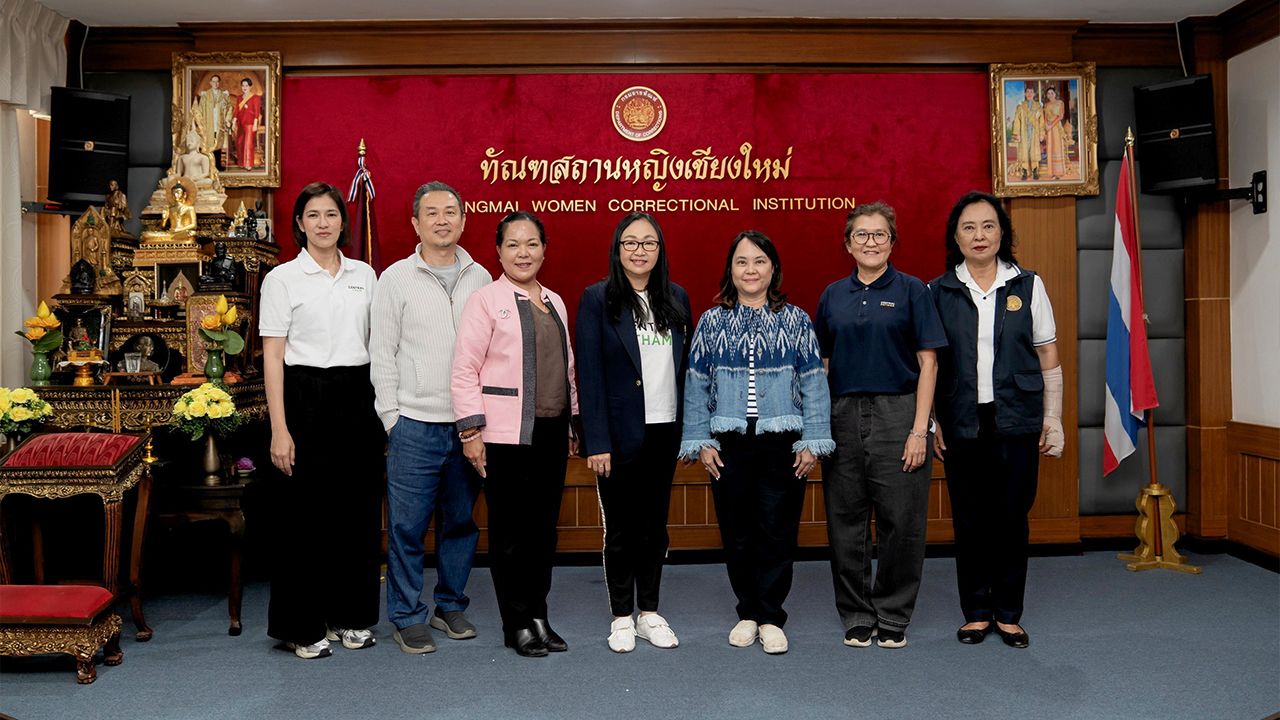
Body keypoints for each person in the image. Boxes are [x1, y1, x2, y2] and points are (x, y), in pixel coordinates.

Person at [680, 230, 834, 655]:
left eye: (759, 261)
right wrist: (701, 440)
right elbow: (695, 384)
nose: (751, 269)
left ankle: (770, 615)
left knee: (777, 528)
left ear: (773, 269)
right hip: (728, 441)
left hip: (783, 442)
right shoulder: (712, 321)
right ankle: (747, 611)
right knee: (737, 530)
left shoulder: (796, 319)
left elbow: (814, 383)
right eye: (742, 262)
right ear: (731, 270)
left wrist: (812, 440)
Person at [928, 191, 1064, 650]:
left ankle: (1009, 614)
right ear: (956, 236)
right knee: (969, 519)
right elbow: (928, 363)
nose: (979, 235)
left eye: (988, 226)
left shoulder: (1028, 285)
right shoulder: (939, 290)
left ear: (1002, 232)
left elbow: (1048, 355)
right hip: (962, 420)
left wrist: (1054, 417)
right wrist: (931, 422)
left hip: (1017, 420)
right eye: (968, 227)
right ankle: (976, 611)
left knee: (1011, 518)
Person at [259, 181, 383, 659]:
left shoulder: (365, 275)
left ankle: (350, 616)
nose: (324, 223)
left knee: (354, 513)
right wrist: (279, 428)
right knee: (302, 519)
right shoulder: (282, 279)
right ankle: (301, 625)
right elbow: (272, 357)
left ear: (342, 222)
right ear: (299, 224)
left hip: (358, 397)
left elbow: (376, 344)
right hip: (303, 397)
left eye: (331, 214)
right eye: (314, 215)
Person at [815, 202, 947, 650]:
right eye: (861, 235)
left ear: (892, 242)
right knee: (845, 520)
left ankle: (892, 612)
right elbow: (824, 364)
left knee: (901, 522)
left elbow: (928, 364)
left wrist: (919, 430)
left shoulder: (913, 291)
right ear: (847, 244)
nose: (870, 242)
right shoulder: (833, 294)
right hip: (843, 415)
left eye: (879, 234)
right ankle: (855, 611)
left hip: (899, 414)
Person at [370, 181, 492, 654]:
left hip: (468, 425)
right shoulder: (395, 279)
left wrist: (479, 422)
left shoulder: (482, 277)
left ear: (464, 220)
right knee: (407, 526)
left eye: (451, 212)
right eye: (432, 213)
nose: (443, 220)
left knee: (460, 522)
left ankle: (450, 605)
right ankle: (405, 615)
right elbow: (381, 354)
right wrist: (392, 420)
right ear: (415, 223)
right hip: (414, 426)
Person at [452, 211, 578, 658]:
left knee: (544, 531)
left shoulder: (556, 301)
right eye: (513, 245)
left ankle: (539, 614)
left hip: (550, 432)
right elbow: (464, 369)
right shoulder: (486, 300)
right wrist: (471, 431)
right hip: (505, 434)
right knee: (510, 533)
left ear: (544, 249)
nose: (523, 253)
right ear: (499, 251)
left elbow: (566, 369)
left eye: (531, 244)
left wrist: (573, 421)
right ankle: (517, 622)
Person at [575, 213, 691, 653]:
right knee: (621, 529)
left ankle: (651, 613)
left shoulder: (676, 298)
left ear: (659, 250)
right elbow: (589, 374)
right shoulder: (597, 299)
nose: (639, 250)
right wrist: (596, 440)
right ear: (617, 249)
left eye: (649, 243)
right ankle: (622, 615)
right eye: (630, 242)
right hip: (618, 436)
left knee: (654, 528)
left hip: (665, 432)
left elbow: (686, 373)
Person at [193, 73, 231, 169]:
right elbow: (200, 109)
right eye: (213, 81)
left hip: (219, 124)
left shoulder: (224, 95)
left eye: (217, 81)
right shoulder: (205, 95)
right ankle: (209, 166)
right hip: (208, 123)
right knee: (208, 144)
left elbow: (230, 107)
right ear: (210, 83)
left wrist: (227, 119)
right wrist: (199, 123)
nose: (215, 83)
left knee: (217, 145)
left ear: (219, 83)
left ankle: (217, 165)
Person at [1010, 84, 1043, 181]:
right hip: (1024, 132)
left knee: (1034, 151)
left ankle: (1035, 171)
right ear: (1025, 93)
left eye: (1031, 92)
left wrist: (1041, 134)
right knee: (1024, 152)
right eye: (1027, 92)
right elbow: (1017, 120)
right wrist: (1017, 134)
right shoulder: (1020, 106)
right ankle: (1024, 171)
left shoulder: (1038, 106)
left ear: (1034, 94)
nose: (1029, 94)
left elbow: (1042, 121)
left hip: (1034, 132)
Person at [232, 77, 261, 170]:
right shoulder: (239, 97)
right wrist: (233, 122)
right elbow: (236, 110)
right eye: (243, 85)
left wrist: (255, 124)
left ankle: (248, 164)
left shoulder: (255, 97)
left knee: (248, 144)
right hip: (240, 123)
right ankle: (241, 162)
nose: (244, 87)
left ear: (250, 87)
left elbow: (257, 112)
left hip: (250, 124)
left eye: (246, 85)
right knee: (240, 143)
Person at [1042, 87, 1070, 180]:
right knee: (1050, 148)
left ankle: (1059, 172)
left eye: (1052, 93)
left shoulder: (1060, 103)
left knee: (1057, 148)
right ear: (1046, 95)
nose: (1050, 95)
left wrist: (1051, 125)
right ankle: (1052, 172)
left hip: (1056, 128)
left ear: (1055, 94)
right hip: (1049, 129)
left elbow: (1060, 116)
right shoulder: (1046, 105)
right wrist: (1046, 125)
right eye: (1048, 93)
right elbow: (1045, 116)